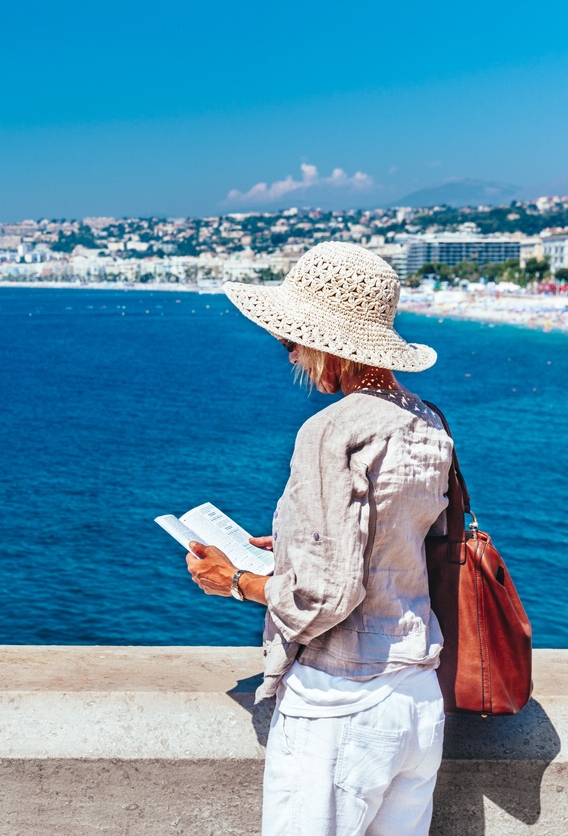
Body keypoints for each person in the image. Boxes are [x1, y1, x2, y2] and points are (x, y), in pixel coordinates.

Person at [185, 242, 454, 836]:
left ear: (326, 343)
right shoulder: (427, 420)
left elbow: (326, 596)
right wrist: (291, 548)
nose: (291, 356)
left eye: (291, 341)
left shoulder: (330, 431)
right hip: (417, 694)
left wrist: (235, 581)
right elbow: (396, 541)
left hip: (341, 698)